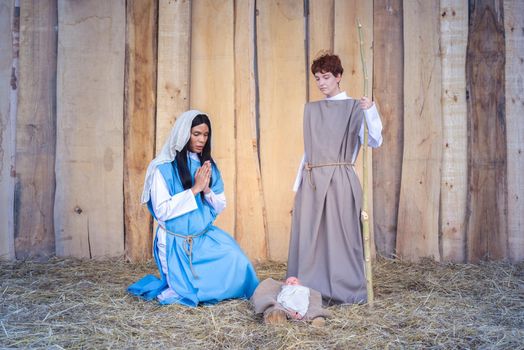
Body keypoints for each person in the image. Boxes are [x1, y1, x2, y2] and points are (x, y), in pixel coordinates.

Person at [128, 110, 259, 307]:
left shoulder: (208, 166)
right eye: (196, 134)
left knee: (239, 261)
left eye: (205, 135)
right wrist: (195, 189)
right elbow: (162, 210)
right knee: (183, 293)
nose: (202, 140)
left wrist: (206, 189)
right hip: (175, 241)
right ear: (183, 133)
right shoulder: (162, 168)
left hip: (203, 237)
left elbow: (220, 205)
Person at [286, 53, 383, 305]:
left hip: (340, 179)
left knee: (341, 236)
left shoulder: (354, 107)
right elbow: (308, 152)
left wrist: (370, 111)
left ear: (338, 77)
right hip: (313, 180)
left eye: (326, 77)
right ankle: (311, 286)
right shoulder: (312, 110)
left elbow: (374, 140)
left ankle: (344, 287)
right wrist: (298, 187)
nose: (321, 82)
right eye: (317, 78)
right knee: (311, 236)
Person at [250, 276, 330, 325]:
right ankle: (281, 317)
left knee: (308, 307)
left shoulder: (304, 289)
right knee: (281, 307)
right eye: (288, 281)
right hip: (288, 304)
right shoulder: (285, 289)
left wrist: (301, 312)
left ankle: (314, 318)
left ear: (299, 283)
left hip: (300, 302)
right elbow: (281, 297)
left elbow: (306, 300)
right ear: (285, 284)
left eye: (294, 280)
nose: (291, 282)